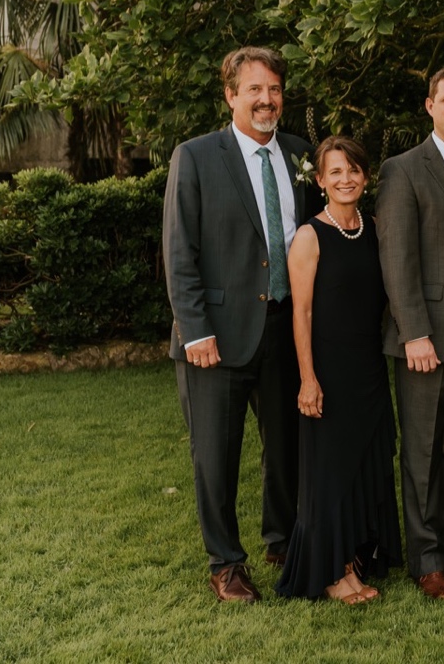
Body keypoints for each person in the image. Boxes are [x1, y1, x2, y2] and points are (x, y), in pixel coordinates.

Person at [162, 46, 319, 602]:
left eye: (274, 89)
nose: (266, 99)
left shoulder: (301, 155)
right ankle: (225, 562)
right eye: (253, 89)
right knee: (215, 454)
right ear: (230, 95)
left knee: (286, 447)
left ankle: (281, 539)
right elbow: (180, 251)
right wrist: (195, 330)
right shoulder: (197, 156)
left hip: (282, 328)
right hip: (217, 336)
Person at [376, 67, 444, 601]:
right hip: (425, 338)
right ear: (429, 106)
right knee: (421, 450)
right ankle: (425, 558)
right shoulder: (403, 170)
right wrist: (413, 333)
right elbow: (397, 259)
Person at [276, 136, 402, 604]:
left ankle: (353, 558)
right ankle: (332, 572)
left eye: (353, 170)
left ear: (365, 177)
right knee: (328, 473)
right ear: (319, 180)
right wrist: (308, 378)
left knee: (363, 465)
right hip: (326, 369)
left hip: (367, 367)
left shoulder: (373, 228)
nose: (345, 179)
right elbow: (301, 313)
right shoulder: (310, 235)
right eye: (335, 172)